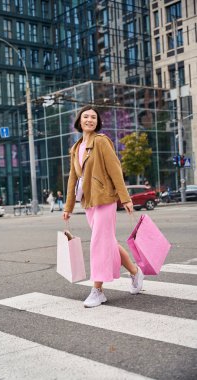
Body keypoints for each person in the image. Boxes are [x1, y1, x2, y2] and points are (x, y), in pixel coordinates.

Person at [63, 105, 144, 308]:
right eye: (85, 117)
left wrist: (125, 199)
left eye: (93, 117)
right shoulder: (76, 148)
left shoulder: (101, 141)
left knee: (98, 243)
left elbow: (115, 169)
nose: (89, 120)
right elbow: (73, 179)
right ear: (79, 121)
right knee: (107, 242)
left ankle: (97, 290)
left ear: (97, 122)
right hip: (89, 201)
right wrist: (68, 207)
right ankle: (135, 272)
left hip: (105, 198)